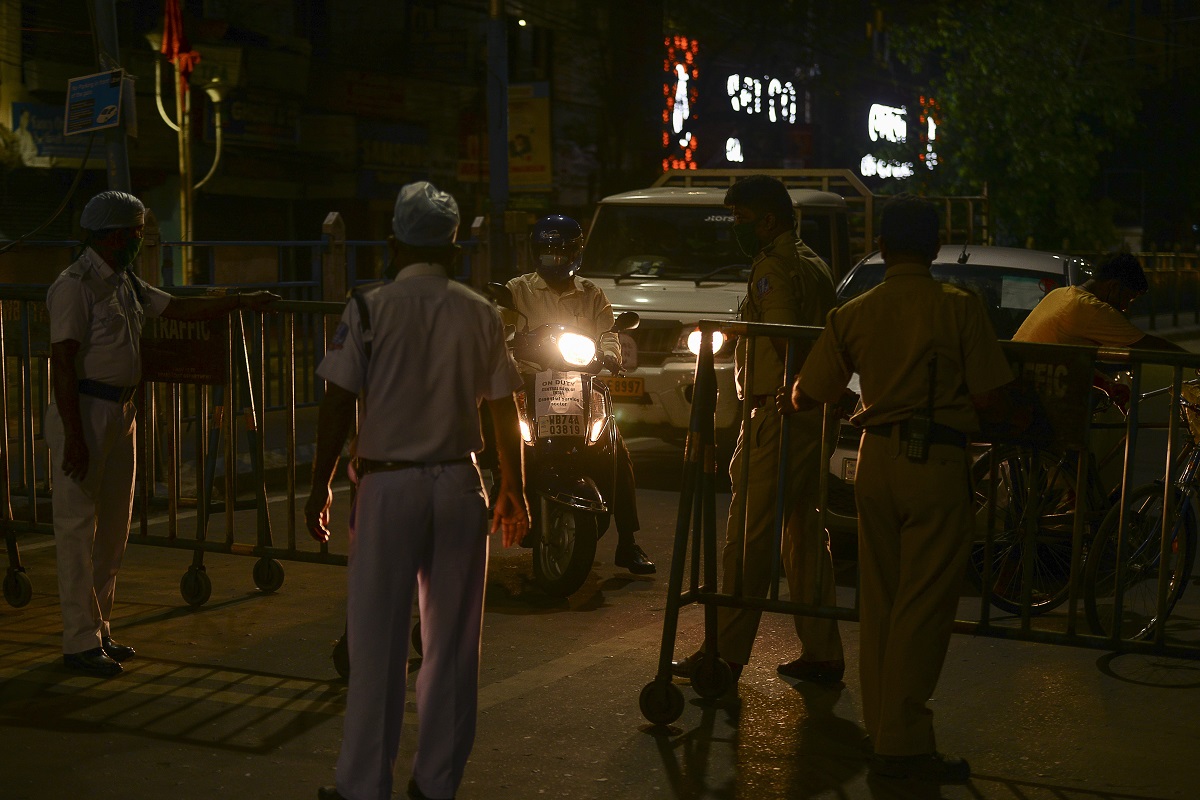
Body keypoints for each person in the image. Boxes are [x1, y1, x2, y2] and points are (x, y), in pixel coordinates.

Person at [780, 194, 1017, 783]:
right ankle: (904, 742)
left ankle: (884, 730)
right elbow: (991, 396)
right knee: (925, 606)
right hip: (936, 461)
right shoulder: (958, 308)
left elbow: (807, 393)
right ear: (935, 247)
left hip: (875, 459)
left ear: (881, 247)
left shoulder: (853, 313)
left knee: (881, 601)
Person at [306, 181, 528, 800]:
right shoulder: (480, 310)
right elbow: (503, 406)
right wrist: (513, 485)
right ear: (454, 248)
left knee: (376, 642)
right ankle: (435, 785)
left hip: (387, 487)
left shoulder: (369, 307)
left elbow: (337, 402)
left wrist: (320, 484)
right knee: (453, 647)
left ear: (393, 244)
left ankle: (362, 786)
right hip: (460, 484)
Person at [46, 190, 277, 678]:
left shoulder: (125, 281)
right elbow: (62, 363)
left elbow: (178, 310)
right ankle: (78, 640)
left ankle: (99, 629)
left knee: (113, 528)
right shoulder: (75, 286)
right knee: (76, 529)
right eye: (134, 233)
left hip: (120, 411)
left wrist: (240, 301)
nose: (139, 240)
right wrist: (74, 434)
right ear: (111, 235)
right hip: (85, 411)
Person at [671, 174, 843, 685]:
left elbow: (785, 337)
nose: (736, 228)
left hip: (778, 413)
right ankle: (823, 653)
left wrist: (790, 387)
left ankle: (723, 655)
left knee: (748, 537)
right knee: (805, 537)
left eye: (741, 218)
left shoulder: (773, 267)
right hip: (812, 414)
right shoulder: (813, 262)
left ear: (768, 220)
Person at [504, 214, 655, 575]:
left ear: (576, 252)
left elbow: (609, 334)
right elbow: (500, 326)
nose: (554, 258)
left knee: (615, 447)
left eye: (561, 251)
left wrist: (611, 355)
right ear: (535, 252)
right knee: (497, 435)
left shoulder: (592, 294)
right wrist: (509, 341)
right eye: (547, 251)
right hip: (529, 383)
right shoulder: (517, 290)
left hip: (580, 385)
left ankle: (628, 540)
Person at [1013, 251, 1186, 409]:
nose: (1125, 307)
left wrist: (1107, 385)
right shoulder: (1091, 308)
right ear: (1114, 286)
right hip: (1032, 404)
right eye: (1128, 298)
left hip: (1015, 389)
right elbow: (1148, 345)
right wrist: (1191, 360)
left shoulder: (1059, 294)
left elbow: (1066, 359)